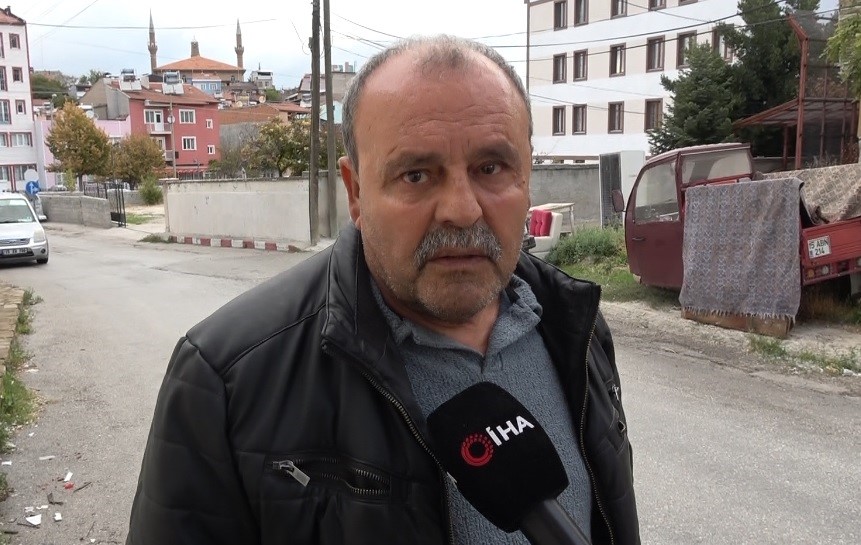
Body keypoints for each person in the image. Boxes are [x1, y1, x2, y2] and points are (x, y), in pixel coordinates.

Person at [126, 35, 639, 545]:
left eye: (490, 168)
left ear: (526, 174)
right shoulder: (225, 379)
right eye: (416, 175)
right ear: (355, 191)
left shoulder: (576, 327)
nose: (462, 210)